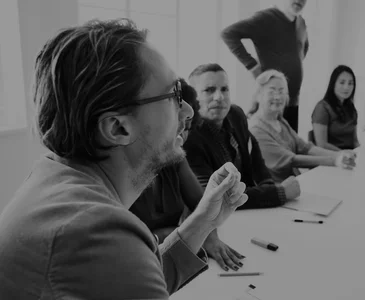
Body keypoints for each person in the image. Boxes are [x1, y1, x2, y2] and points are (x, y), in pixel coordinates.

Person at [0, 19, 248, 299]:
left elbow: (131, 282)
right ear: (118, 127)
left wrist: (203, 220)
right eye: (174, 94)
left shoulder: (54, 178)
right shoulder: (95, 231)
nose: (189, 111)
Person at [130, 80, 245, 272]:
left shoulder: (176, 158)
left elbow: (204, 206)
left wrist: (211, 237)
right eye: (179, 125)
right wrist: (185, 231)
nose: (183, 136)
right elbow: (129, 241)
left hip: (166, 261)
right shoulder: (125, 168)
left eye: (189, 128)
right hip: (139, 267)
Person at [184, 63, 301, 210]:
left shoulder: (235, 114)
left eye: (224, 89)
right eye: (209, 90)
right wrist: (278, 193)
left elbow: (256, 160)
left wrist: (268, 186)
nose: (219, 97)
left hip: (248, 210)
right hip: (216, 221)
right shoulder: (189, 137)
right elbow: (214, 197)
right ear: (194, 98)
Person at [248, 70, 356, 183]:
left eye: (281, 91)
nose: (278, 97)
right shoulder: (256, 129)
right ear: (258, 95)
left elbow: (306, 148)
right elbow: (291, 160)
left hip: (295, 182)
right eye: (272, 91)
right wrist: (334, 160)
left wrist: (339, 154)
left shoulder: (280, 121)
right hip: (277, 190)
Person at [221, 0, 309, 132]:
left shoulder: (301, 23)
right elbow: (228, 34)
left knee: (291, 147)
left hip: (292, 101)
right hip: (270, 101)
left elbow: (302, 48)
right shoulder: (266, 18)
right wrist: (252, 66)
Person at [310, 65, 359, 150]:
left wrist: (362, 153)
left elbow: (355, 141)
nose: (346, 87)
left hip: (349, 156)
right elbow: (321, 145)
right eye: (342, 82)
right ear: (333, 84)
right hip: (330, 157)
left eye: (350, 83)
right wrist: (345, 154)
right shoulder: (322, 108)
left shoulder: (350, 107)